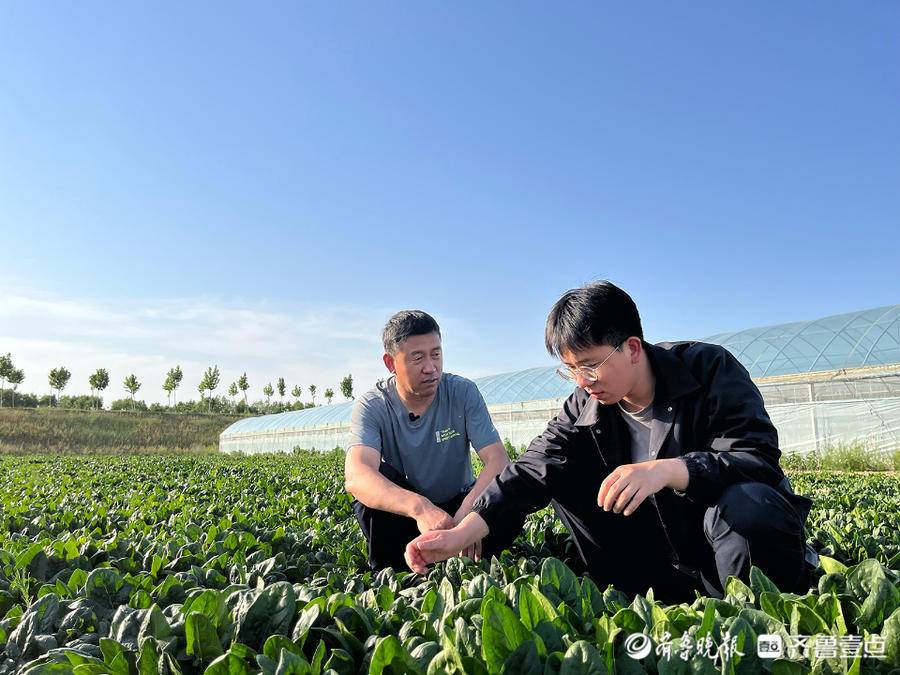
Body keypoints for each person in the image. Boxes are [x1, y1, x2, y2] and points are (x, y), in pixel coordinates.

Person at [405, 281, 816, 603]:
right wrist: (461, 533)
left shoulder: (709, 370)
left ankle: (757, 611)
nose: (582, 381)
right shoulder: (584, 403)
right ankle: (635, 585)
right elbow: (531, 470)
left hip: (720, 546)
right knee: (559, 473)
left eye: (590, 366)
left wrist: (671, 470)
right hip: (654, 555)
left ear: (632, 348)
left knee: (747, 503)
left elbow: (755, 457)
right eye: (570, 370)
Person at [345, 309, 519, 570]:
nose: (431, 367)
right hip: (409, 513)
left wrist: (465, 521)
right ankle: (397, 569)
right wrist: (420, 508)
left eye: (436, 354)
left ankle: (466, 552)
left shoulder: (462, 392)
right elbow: (357, 475)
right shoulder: (373, 405)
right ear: (391, 363)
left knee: (510, 495)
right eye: (417, 357)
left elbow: (497, 460)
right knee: (373, 489)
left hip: (460, 504)